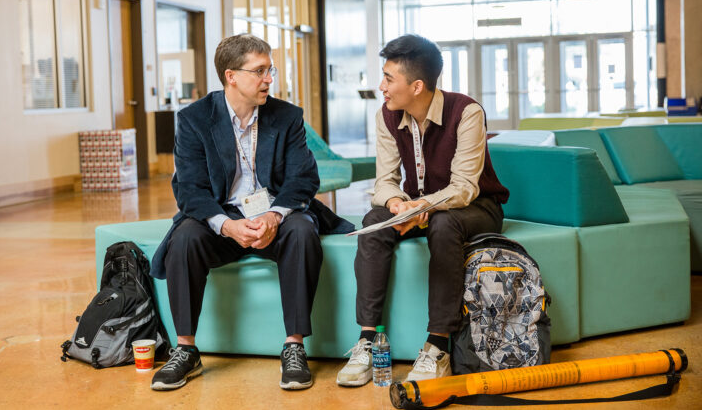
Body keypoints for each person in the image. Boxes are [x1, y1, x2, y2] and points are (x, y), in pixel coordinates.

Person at [150, 34, 351, 392]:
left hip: (274, 215)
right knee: (184, 239)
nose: (269, 79)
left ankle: (294, 346)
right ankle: (186, 348)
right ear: (231, 76)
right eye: (260, 71)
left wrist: (274, 216)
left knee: (303, 230)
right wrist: (227, 226)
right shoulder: (194, 119)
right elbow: (190, 189)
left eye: (269, 69)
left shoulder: (287, 116)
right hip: (222, 218)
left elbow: (303, 177)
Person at [337, 34, 510, 386]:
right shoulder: (386, 116)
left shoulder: (467, 112)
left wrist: (421, 207)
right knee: (374, 220)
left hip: (474, 208)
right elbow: (384, 180)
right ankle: (367, 341)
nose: (381, 86)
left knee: (443, 224)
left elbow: (464, 188)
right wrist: (397, 204)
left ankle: (437, 346)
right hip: (417, 206)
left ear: (417, 86)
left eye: (388, 78)